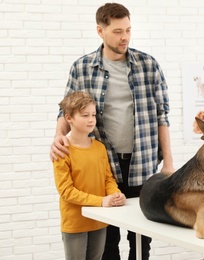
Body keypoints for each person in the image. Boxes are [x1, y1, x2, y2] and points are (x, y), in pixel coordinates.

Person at [50, 3, 175, 259]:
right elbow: (65, 110)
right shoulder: (82, 68)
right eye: (118, 31)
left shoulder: (148, 65)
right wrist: (57, 139)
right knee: (107, 239)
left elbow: (163, 116)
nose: (125, 37)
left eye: (128, 30)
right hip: (103, 164)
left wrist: (169, 164)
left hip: (143, 162)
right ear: (100, 31)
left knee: (141, 239)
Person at [53, 91, 127, 260]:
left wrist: (115, 194)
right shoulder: (62, 150)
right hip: (75, 222)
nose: (91, 119)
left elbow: (108, 178)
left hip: (99, 220)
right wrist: (100, 201)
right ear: (69, 118)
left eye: (93, 114)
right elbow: (66, 192)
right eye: (85, 115)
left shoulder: (100, 148)